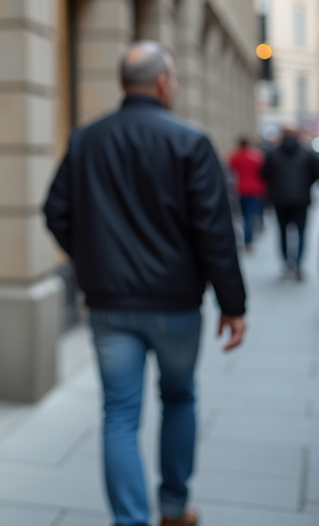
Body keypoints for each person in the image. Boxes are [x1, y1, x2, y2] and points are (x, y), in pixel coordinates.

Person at [43, 41, 247, 526]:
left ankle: (131, 520)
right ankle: (174, 508)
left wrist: (93, 259)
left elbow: (56, 211)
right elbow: (215, 232)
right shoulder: (191, 141)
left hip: (110, 303)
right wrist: (233, 304)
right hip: (176, 305)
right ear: (162, 83)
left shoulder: (87, 139)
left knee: (119, 413)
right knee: (179, 398)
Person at [261, 127, 319, 280]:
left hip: (280, 199)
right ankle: (298, 264)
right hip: (301, 199)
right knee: (300, 233)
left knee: (282, 233)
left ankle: (287, 263)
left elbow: (264, 174)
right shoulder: (307, 153)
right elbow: (316, 174)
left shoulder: (272, 153)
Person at [228, 135, 266, 250]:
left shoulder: (235, 156)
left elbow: (231, 170)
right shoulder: (257, 156)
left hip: (240, 189)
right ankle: (248, 239)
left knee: (243, 215)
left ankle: (247, 237)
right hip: (255, 189)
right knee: (250, 215)